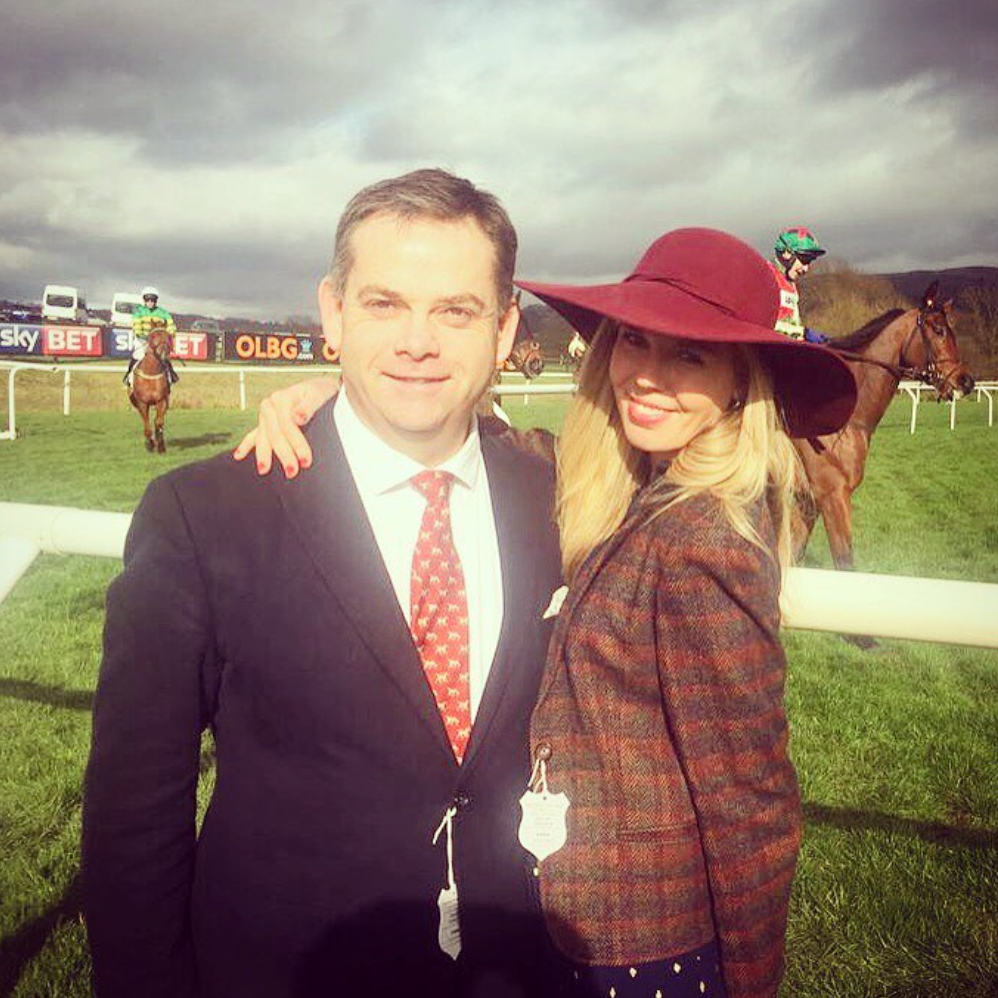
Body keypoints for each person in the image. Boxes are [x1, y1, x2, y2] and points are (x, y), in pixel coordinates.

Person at [241, 227, 857, 998]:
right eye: (634, 342)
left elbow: (748, 801)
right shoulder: (632, 490)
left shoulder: (706, 542)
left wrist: (753, 981)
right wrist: (338, 395)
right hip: (565, 923)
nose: (648, 377)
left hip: (644, 946)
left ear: (742, 382)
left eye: (690, 355)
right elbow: (493, 441)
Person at [83, 169, 563, 998]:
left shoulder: (554, 501)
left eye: (455, 310)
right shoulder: (200, 515)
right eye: (384, 304)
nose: (419, 340)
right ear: (333, 314)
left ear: (504, 327)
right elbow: (135, 815)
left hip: (513, 969)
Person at [769, 226, 829, 343]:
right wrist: (804, 332)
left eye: (809, 262)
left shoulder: (791, 285)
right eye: (804, 260)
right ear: (787, 253)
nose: (806, 268)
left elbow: (794, 323)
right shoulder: (766, 276)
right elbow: (763, 325)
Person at [124, 286, 180, 385]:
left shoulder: (163, 313)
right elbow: (136, 326)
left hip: (157, 341)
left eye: (152, 300)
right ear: (144, 300)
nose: (150, 302)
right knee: (137, 355)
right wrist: (142, 335)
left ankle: (171, 375)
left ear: (156, 301)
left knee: (163, 356)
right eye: (147, 299)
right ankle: (128, 376)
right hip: (142, 339)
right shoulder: (139, 312)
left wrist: (170, 333)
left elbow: (171, 325)